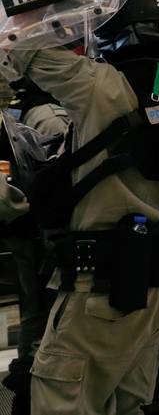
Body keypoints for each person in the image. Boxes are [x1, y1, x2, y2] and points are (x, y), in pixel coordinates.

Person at [0, 0, 159, 415]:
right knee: (128, 403)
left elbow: (21, 44)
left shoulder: (93, 87)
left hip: (97, 289)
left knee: (62, 399)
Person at [0, 80, 69, 415]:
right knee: (41, 312)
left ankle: (29, 382)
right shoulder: (44, 115)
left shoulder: (39, 116)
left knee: (37, 312)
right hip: (31, 228)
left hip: (31, 231)